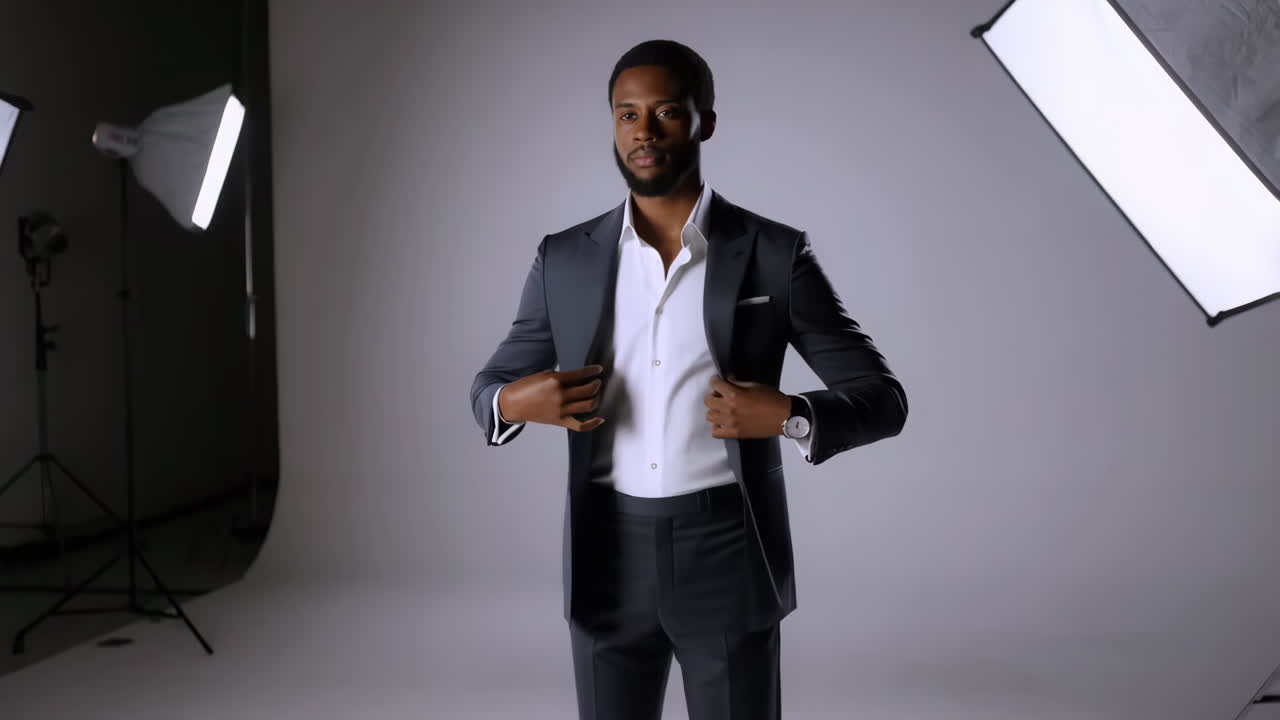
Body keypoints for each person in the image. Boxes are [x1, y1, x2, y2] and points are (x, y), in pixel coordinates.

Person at [469, 38, 908, 720]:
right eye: (626, 114)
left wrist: (792, 413)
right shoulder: (564, 259)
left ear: (705, 120)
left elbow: (884, 400)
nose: (644, 130)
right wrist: (513, 401)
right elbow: (490, 386)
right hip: (606, 554)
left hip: (728, 548)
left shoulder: (772, 254)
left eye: (666, 111)